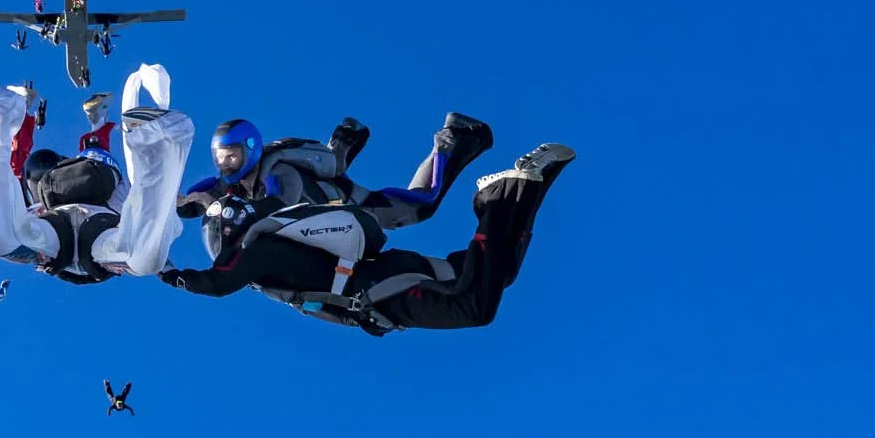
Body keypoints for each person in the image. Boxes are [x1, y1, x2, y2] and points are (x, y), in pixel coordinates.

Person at [162, 144, 574, 337]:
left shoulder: (254, 251)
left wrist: (165, 271)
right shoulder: (274, 235)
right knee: (495, 274)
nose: (219, 250)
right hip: (386, 271)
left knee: (474, 306)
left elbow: (218, 282)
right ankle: (529, 184)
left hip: (379, 291)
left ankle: (500, 198)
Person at [0, 67, 194, 285]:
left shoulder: (41, 196)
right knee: (144, 255)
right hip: (88, 233)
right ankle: (158, 142)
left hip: (66, 236)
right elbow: (146, 197)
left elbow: (147, 197)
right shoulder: (69, 186)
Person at [177, 112, 491, 232]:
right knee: (334, 171)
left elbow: (275, 206)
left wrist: (218, 207)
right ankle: (342, 143)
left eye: (232, 156)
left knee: (422, 205)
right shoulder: (232, 181)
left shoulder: (278, 172)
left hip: (353, 204)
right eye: (220, 157)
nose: (226, 164)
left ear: (250, 149)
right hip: (325, 210)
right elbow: (195, 199)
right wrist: (175, 201)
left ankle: (453, 136)